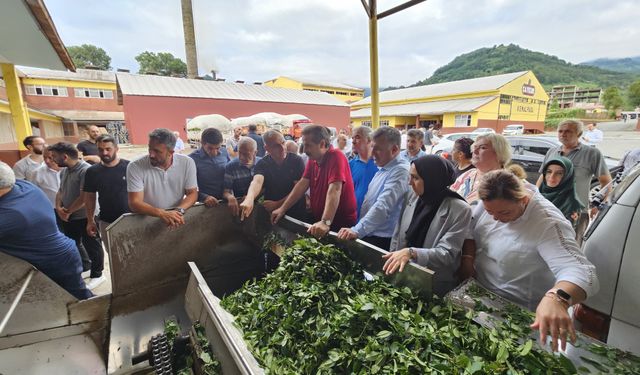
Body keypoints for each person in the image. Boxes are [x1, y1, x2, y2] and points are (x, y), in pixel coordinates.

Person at [468, 170, 598, 352]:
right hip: (481, 300)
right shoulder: (491, 201)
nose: (496, 218)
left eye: (504, 212)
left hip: (518, 314)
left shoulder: (547, 223)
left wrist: (557, 299)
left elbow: (582, 271)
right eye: (490, 212)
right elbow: (471, 231)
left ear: (523, 200)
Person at [0, 162, 92, 300]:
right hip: (62, 254)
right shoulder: (24, 186)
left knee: (77, 303)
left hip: (55, 263)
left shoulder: (12, 215)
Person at [381, 156, 471, 296]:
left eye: (415, 178)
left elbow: (447, 253)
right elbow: (398, 233)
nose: (410, 183)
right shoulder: (412, 196)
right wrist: (392, 261)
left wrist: (411, 252)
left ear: (432, 179)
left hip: (433, 283)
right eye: (410, 177)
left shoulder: (459, 209)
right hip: (402, 273)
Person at [272, 125, 357, 237]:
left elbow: (335, 189)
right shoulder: (313, 160)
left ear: (322, 144)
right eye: (304, 145)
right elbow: (302, 185)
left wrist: (325, 222)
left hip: (340, 227)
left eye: (308, 145)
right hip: (321, 223)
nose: (305, 150)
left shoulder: (337, 156)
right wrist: (282, 209)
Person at [537, 119, 611, 241]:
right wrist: (536, 197)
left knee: (571, 246)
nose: (563, 134)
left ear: (579, 134)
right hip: (549, 209)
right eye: (560, 131)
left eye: (568, 131)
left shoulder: (592, 153)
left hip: (575, 212)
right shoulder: (552, 151)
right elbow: (542, 177)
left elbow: (606, 182)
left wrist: (598, 205)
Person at [337, 126, 409, 250]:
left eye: (378, 149)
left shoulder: (400, 171)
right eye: (372, 148)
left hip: (383, 238)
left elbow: (383, 205)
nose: (373, 153)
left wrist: (357, 230)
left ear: (394, 149)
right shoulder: (383, 168)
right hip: (369, 232)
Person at [49, 142, 105, 289]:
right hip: (69, 216)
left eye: (54, 156)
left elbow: (84, 197)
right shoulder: (64, 171)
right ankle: (87, 267)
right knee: (74, 243)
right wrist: (58, 208)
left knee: (93, 245)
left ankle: (98, 274)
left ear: (65, 156)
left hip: (86, 216)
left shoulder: (86, 170)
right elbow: (60, 191)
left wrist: (66, 211)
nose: (52, 159)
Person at [127, 128, 198, 228]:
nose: (151, 154)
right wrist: (162, 213)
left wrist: (178, 211)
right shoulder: (135, 166)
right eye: (149, 148)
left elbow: (192, 193)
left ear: (171, 152)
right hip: (145, 222)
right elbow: (134, 203)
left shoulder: (187, 163)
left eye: (157, 151)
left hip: (175, 219)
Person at [240, 130, 306, 221]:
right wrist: (249, 198)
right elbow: (257, 181)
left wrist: (278, 204)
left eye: (283, 143)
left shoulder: (296, 161)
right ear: (267, 148)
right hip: (273, 213)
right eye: (276, 146)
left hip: (295, 212)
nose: (282, 148)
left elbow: (298, 190)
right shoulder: (263, 163)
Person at [83, 135, 130, 253]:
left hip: (131, 219)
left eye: (108, 149)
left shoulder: (129, 167)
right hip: (107, 221)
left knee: (136, 254)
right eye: (100, 149)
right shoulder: (92, 171)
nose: (104, 153)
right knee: (114, 256)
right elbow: (89, 197)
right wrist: (90, 220)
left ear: (116, 149)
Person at [450, 133, 512, 205]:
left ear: (499, 153)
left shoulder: (509, 182)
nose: (474, 152)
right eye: (474, 147)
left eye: (483, 147)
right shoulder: (468, 174)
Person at [539, 157, 584, 228]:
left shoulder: (571, 204)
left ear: (567, 176)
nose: (552, 177)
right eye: (549, 171)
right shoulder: (537, 194)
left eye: (559, 173)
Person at [189, 128, 230, 207]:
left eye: (218, 148)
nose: (214, 152)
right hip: (206, 204)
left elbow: (230, 174)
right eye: (210, 148)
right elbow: (188, 188)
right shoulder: (191, 159)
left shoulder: (225, 152)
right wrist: (204, 197)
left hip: (227, 200)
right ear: (202, 143)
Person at [29, 146, 63, 230]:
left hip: (72, 208)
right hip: (51, 210)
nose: (47, 161)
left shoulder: (69, 170)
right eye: (44, 157)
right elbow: (33, 194)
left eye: (51, 158)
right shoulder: (37, 173)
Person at [224, 137, 260, 215]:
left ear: (255, 152)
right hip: (241, 207)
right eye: (240, 153)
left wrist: (251, 197)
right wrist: (230, 197)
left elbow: (266, 186)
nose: (242, 157)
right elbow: (226, 191)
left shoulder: (261, 164)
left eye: (246, 154)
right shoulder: (231, 166)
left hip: (260, 206)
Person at [348, 126, 378, 218]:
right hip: (353, 218)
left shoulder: (380, 164)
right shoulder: (350, 164)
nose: (353, 141)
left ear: (369, 140)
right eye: (352, 138)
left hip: (375, 218)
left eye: (357, 137)